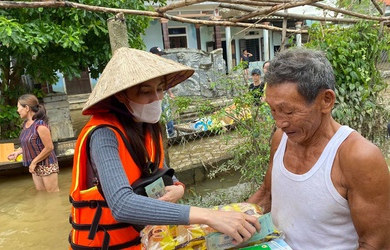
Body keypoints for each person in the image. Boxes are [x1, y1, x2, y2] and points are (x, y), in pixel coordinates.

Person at [69, 47, 260, 249]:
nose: (157, 98)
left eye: (160, 89)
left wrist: (178, 189)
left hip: (148, 240)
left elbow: (164, 173)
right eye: (145, 92)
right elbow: (121, 204)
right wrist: (208, 215)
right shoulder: (103, 135)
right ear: (121, 96)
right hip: (107, 244)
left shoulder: (149, 128)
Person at [247, 48, 390, 249]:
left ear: (326, 101)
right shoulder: (281, 140)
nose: (280, 123)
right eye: (273, 110)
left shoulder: (358, 157)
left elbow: (376, 243)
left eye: (288, 111)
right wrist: (226, 219)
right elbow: (267, 195)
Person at [7, 94, 60, 192]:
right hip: (35, 165)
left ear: (26, 108)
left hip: (47, 164)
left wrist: (34, 162)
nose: (17, 110)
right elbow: (31, 143)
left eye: (18, 107)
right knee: (41, 194)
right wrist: (18, 152)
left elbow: (49, 147)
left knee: (52, 195)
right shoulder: (25, 124)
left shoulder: (40, 125)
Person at [149, 46, 176, 138]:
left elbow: (165, 83)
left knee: (167, 114)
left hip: (163, 94)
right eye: (158, 55)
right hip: (152, 96)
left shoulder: (161, 67)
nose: (160, 57)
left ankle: (171, 133)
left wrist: (170, 93)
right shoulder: (148, 68)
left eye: (160, 55)